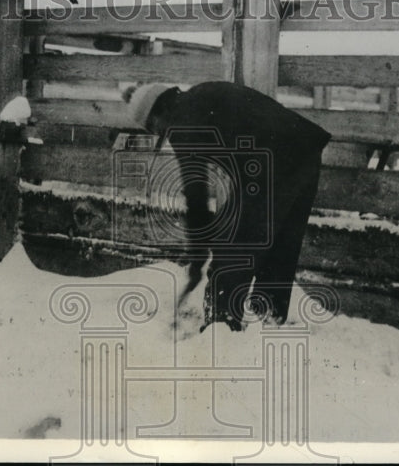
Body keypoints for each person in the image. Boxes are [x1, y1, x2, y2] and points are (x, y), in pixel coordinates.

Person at [126, 81, 331, 331]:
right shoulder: (200, 95)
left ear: (157, 113)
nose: (159, 134)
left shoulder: (182, 121)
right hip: (304, 148)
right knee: (281, 247)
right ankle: (268, 319)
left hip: (272, 162)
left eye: (152, 128)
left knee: (230, 256)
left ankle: (220, 332)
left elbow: (196, 196)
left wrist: (198, 258)